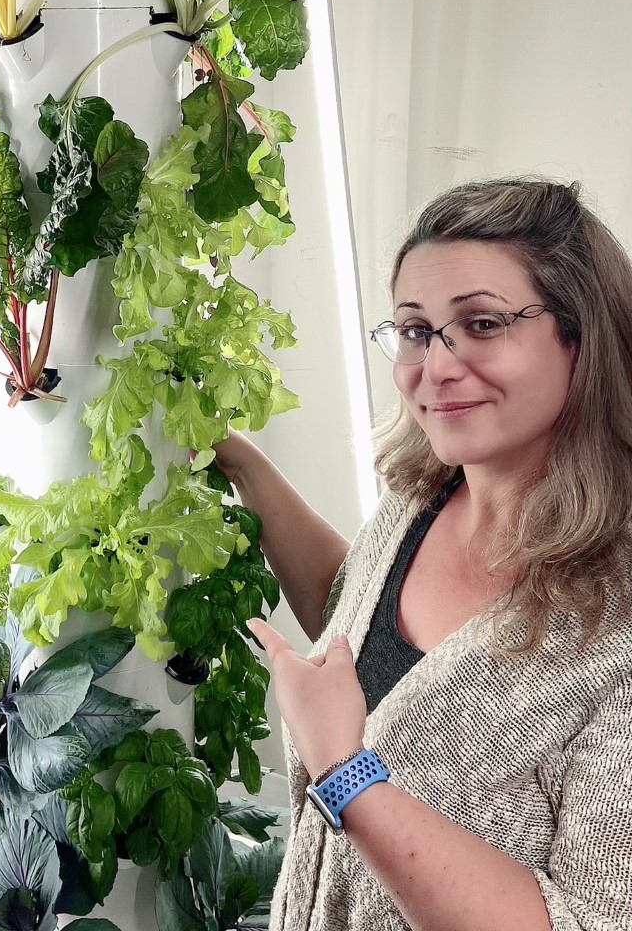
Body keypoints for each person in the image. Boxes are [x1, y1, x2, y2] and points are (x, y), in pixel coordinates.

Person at [217, 177, 632, 931]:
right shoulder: (423, 497)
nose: (436, 367)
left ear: (582, 334)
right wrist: (242, 466)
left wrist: (347, 774)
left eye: (481, 323)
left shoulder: (620, 622)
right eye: (415, 330)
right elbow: (361, 622)